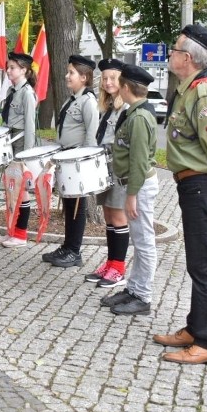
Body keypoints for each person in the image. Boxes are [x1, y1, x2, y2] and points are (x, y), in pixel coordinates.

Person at [153, 24, 207, 365]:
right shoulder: (193, 88)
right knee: (198, 261)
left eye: (174, 50)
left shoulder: (205, 93)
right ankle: (195, 327)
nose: (170, 55)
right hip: (194, 183)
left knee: (205, 264)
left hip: (203, 184)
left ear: (187, 58)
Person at [99, 65, 160, 315]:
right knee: (138, 240)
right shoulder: (135, 113)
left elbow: (139, 160)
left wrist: (132, 195)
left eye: (119, 84)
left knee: (144, 242)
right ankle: (133, 289)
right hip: (134, 184)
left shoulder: (139, 118)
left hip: (140, 185)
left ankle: (142, 296)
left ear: (125, 88)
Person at [42, 55, 98, 268]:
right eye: (68, 72)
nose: (67, 76)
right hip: (65, 160)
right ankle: (67, 247)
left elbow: (91, 137)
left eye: (71, 73)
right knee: (68, 204)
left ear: (84, 77)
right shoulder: (71, 99)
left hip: (77, 163)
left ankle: (74, 251)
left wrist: (84, 165)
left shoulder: (88, 102)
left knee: (77, 206)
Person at [85, 58, 130, 287]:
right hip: (105, 166)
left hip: (119, 168)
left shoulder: (127, 107)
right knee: (109, 216)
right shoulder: (108, 107)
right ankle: (111, 263)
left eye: (113, 77)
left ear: (122, 80)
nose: (108, 82)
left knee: (119, 217)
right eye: (104, 78)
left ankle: (119, 269)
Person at [0, 52, 38, 248]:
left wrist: (26, 156)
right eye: (8, 67)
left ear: (24, 70)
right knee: (12, 189)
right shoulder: (14, 91)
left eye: (12, 67)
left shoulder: (27, 93)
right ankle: (11, 231)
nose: (8, 70)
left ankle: (20, 234)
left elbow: (30, 126)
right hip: (11, 142)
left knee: (22, 190)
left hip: (20, 145)